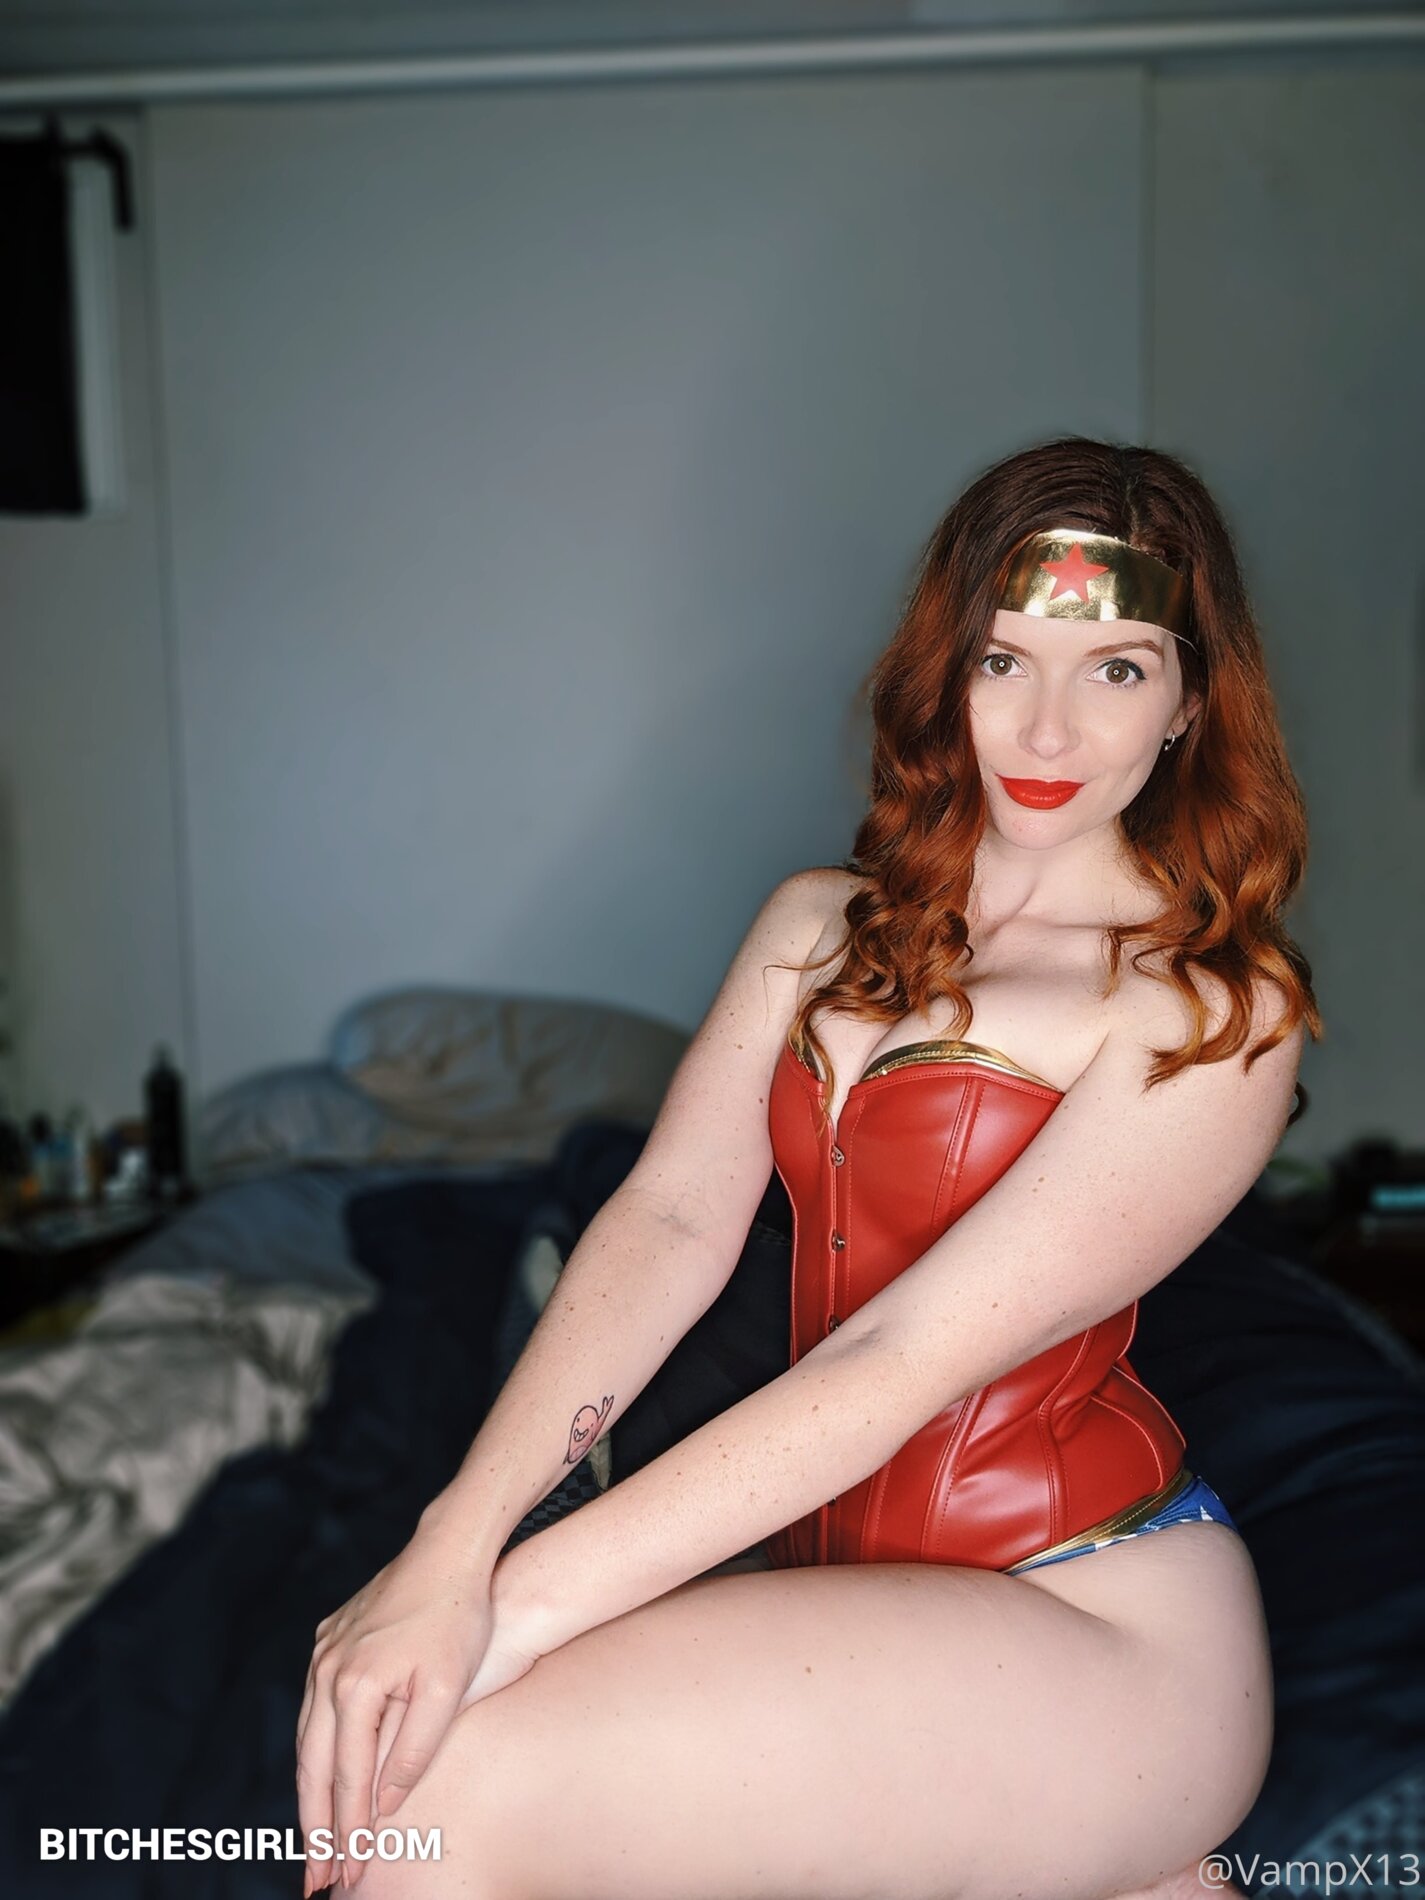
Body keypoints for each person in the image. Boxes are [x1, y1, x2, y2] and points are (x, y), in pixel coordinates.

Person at [295, 436, 1321, 1900]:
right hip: (845, 1592)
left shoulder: (1212, 1011)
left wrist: (500, 1612)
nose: (1046, 726)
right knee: (411, 1739)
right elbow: (668, 1220)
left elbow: (896, 1363)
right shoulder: (813, 926)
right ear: (947, 671)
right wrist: (448, 1547)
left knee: (430, 1781)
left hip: (1093, 1616)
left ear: (1189, 701)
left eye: (1115, 668)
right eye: (1003, 660)